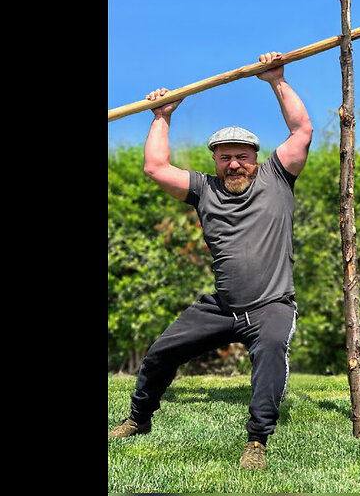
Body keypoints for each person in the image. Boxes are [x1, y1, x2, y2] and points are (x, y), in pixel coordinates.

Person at [109, 52, 313, 470]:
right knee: (161, 352)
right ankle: (138, 418)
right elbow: (154, 166)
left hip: (272, 304)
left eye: (241, 155)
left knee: (272, 348)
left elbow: (302, 129)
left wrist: (277, 80)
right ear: (215, 160)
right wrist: (162, 116)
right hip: (221, 307)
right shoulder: (204, 190)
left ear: (256, 157)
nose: (234, 163)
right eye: (225, 157)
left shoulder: (278, 177)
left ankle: (257, 440)